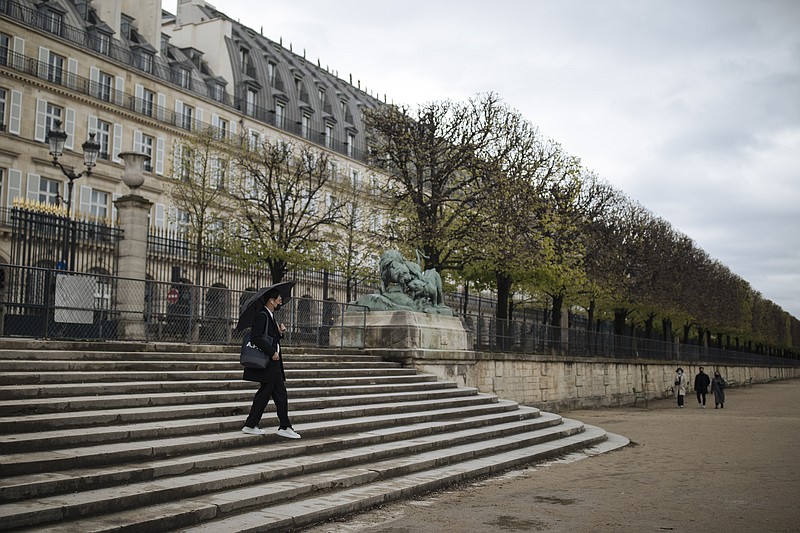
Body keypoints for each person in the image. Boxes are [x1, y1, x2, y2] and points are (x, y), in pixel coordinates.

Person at [242, 288, 301, 439]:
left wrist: (280, 333)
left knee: (278, 393)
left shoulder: (270, 316)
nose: (281, 301)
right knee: (269, 393)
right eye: (279, 299)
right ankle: (256, 425)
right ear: (271, 300)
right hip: (270, 361)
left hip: (274, 362)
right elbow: (256, 337)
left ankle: (282, 426)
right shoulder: (262, 315)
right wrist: (272, 352)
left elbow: (269, 337)